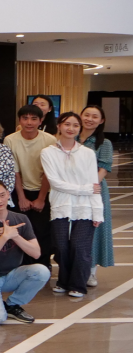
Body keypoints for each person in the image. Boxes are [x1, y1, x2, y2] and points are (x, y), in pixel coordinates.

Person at [42, 112, 103, 298]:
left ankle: (78, 284)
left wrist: (97, 212)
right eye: (67, 124)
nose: (71, 128)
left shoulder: (87, 153)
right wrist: (85, 189)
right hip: (60, 205)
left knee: (79, 247)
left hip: (85, 207)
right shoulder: (47, 152)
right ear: (59, 126)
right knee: (61, 246)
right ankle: (63, 281)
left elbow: (95, 184)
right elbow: (55, 182)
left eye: (75, 125)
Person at [0, 179, 48, 325]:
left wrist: (16, 235)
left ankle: (12, 305)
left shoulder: (21, 219)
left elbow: (36, 253)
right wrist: (4, 237)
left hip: (12, 275)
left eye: (2, 195)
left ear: (8, 194)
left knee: (41, 271)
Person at [5, 105, 56, 268]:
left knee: (42, 231)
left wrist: (41, 198)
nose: (29, 122)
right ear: (19, 120)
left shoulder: (50, 140)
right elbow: (15, 171)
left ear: (41, 121)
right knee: (20, 231)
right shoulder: (10, 140)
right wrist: (21, 197)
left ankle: (42, 266)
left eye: (34, 119)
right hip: (19, 190)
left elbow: (49, 172)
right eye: (25, 118)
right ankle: (21, 266)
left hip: (43, 190)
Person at [80, 105, 114, 287]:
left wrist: (91, 187)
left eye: (95, 116)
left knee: (95, 229)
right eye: (86, 115)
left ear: (101, 121)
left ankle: (91, 272)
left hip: (95, 190)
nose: (90, 119)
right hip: (72, 189)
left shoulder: (103, 143)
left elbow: (104, 167)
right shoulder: (71, 138)